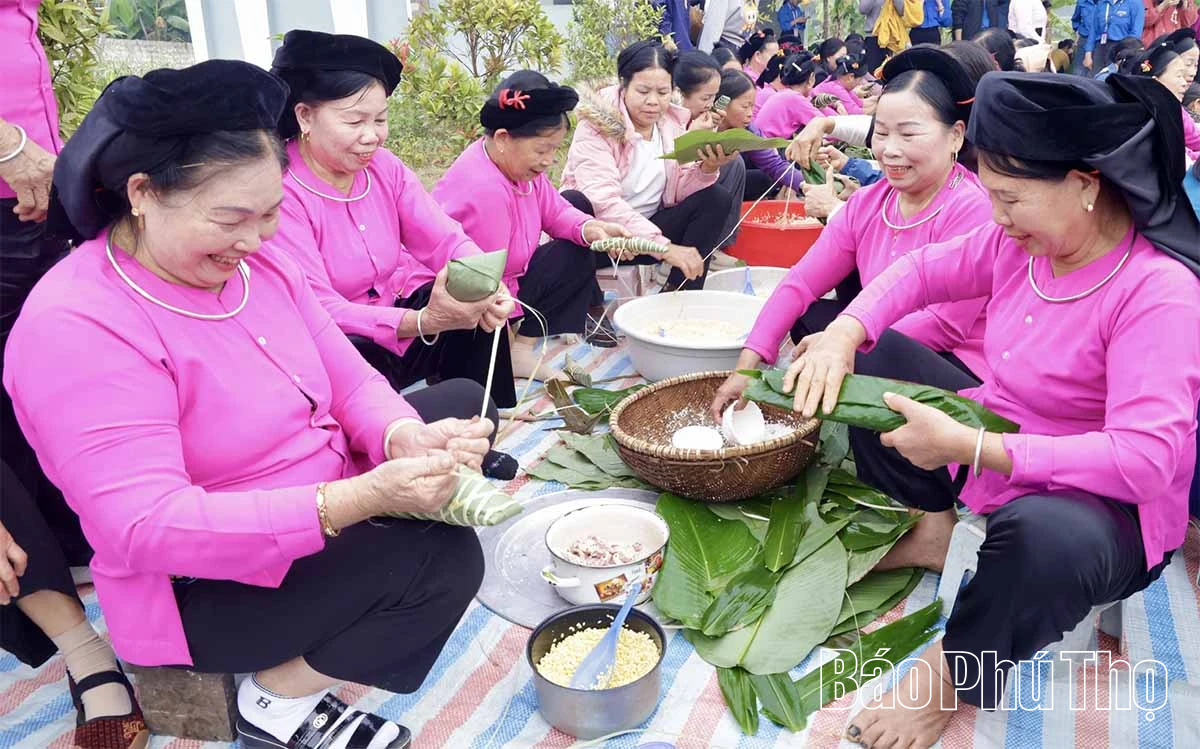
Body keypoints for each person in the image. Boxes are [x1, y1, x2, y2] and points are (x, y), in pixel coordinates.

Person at [6, 59, 506, 749]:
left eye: (271, 214)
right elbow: (144, 524)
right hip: (201, 583)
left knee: (446, 408)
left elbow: (350, 378)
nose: (257, 240)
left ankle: (371, 522)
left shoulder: (259, 265)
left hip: (313, 489)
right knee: (442, 559)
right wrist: (352, 502)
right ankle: (274, 702)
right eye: (233, 219)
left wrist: (396, 438)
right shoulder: (78, 325)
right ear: (142, 193)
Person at [782, 71, 1200, 749]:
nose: (996, 216)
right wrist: (842, 334)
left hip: (1100, 505)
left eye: (1010, 198)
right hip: (995, 446)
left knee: (1044, 538)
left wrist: (970, 446)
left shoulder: (1157, 291)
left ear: (1086, 185)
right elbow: (917, 273)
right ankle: (936, 529)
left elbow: (1145, 461)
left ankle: (952, 672)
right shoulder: (1018, 245)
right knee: (872, 359)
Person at [1, 3, 150, 747]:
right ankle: (83, 649)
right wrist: (7, 145)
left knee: (36, 388)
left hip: (23, 212)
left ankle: (77, 554)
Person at [711, 47, 995, 418]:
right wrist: (749, 367)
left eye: (908, 134)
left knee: (873, 352)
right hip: (879, 337)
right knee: (807, 314)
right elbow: (801, 281)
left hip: (957, 364)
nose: (890, 151)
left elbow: (943, 325)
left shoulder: (973, 207)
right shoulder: (871, 202)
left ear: (956, 135)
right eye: (882, 133)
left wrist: (845, 340)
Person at [267, 32, 522, 431]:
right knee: (349, 357)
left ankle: (487, 418)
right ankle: (399, 430)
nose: (372, 135)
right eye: (355, 120)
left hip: (396, 325)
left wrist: (487, 281)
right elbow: (321, 310)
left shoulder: (385, 168)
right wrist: (423, 322)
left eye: (380, 119)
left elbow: (444, 239)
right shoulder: (281, 192)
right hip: (339, 341)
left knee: (466, 289)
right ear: (304, 116)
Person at [432, 72, 630, 380]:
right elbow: (488, 278)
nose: (550, 160)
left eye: (554, 149)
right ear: (502, 139)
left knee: (576, 251)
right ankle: (504, 356)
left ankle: (520, 352)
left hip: (504, 281)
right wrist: (500, 343)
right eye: (542, 150)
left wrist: (592, 229)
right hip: (463, 300)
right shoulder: (486, 189)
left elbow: (557, 211)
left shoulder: (518, 169)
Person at [561, 40, 737, 291]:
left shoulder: (671, 122)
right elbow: (600, 199)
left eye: (663, 93)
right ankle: (586, 303)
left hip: (651, 227)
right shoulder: (596, 127)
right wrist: (663, 247)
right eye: (643, 92)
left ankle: (680, 296)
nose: (653, 102)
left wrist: (707, 168)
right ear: (624, 85)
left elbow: (676, 192)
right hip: (605, 236)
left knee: (716, 198)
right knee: (573, 199)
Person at [672, 51, 748, 251]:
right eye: (706, 97)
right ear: (679, 93)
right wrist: (692, 136)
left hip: (685, 188)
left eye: (714, 97)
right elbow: (670, 172)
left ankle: (719, 244)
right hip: (664, 201)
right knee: (716, 196)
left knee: (734, 163)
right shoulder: (664, 118)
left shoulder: (702, 116)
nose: (710, 104)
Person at [716, 68, 808, 199]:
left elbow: (774, 164)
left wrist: (805, 185)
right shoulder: (703, 127)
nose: (749, 113)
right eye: (745, 106)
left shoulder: (748, 130)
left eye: (752, 106)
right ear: (724, 102)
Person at [1123, 32, 1200, 159]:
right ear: (1155, 81)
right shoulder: (1155, 116)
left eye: (1196, 65)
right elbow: (1181, 156)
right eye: (1179, 75)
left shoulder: (1170, 109)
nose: (1184, 82)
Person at [755, 51, 825, 137]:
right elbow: (826, 126)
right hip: (769, 147)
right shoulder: (794, 98)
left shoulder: (785, 94)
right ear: (811, 79)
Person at [1084, 0, 1146, 71]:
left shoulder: (1135, 3)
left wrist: (1125, 54)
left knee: (1113, 78)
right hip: (1101, 46)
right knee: (1095, 78)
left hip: (1121, 49)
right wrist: (1088, 53)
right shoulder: (1102, 2)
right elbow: (1093, 30)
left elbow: (1136, 33)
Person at [860, 0, 906, 70]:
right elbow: (863, 9)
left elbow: (901, 11)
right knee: (872, 71)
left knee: (888, 71)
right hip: (873, 37)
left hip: (890, 39)